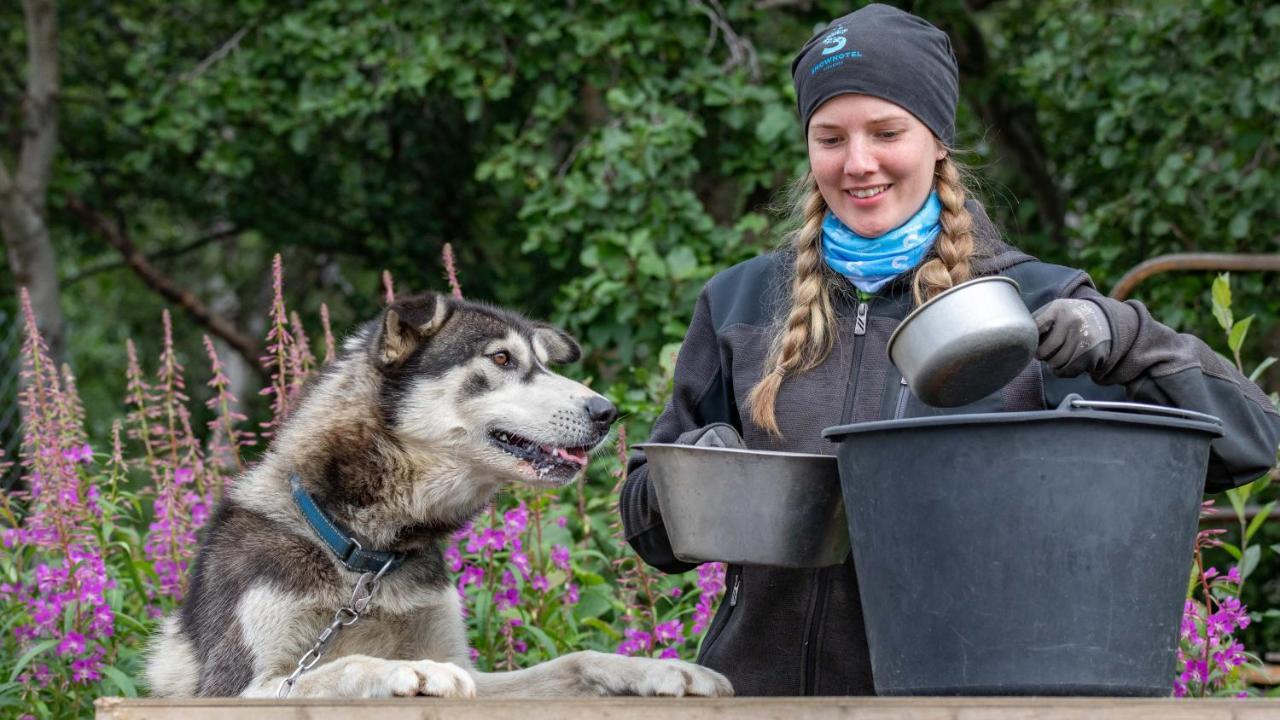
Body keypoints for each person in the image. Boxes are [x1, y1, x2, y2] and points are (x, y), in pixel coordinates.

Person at [620, 3, 1280, 697]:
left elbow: (1250, 443)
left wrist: (1122, 337)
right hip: (756, 700)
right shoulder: (741, 303)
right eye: (830, 137)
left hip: (959, 706)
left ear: (937, 138)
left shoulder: (1032, 304)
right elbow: (648, 534)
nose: (858, 162)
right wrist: (691, 476)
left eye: (886, 131)